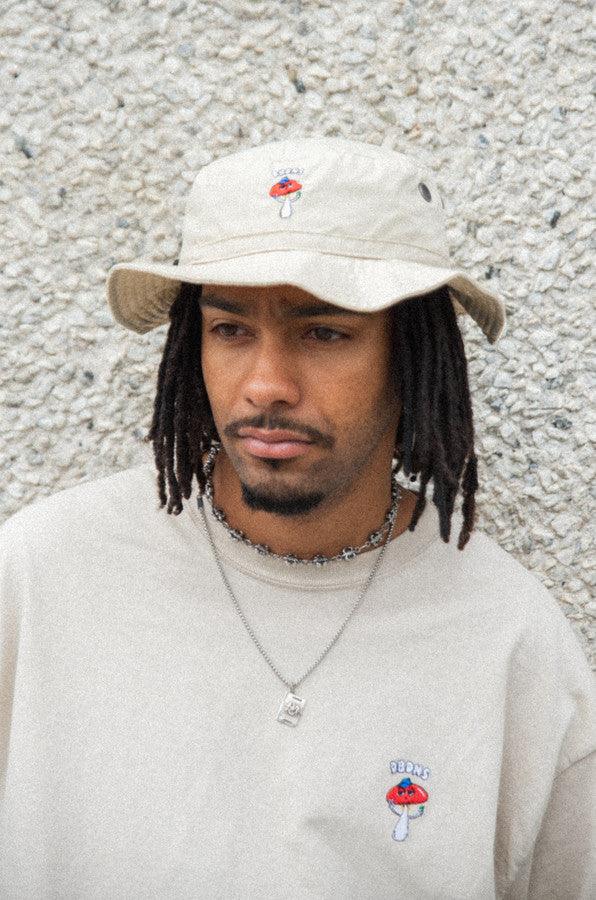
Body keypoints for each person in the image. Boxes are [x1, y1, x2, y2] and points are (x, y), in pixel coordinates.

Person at [0, 137, 593, 899]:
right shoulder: (40, 578)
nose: (267, 385)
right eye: (230, 329)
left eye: (325, 332)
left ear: (411, 355)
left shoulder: (512, 642)